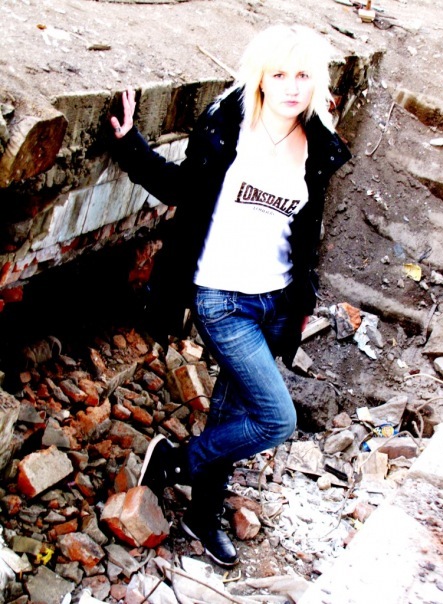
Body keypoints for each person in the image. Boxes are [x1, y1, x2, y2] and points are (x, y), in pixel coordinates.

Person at [109, 23, 351, 567]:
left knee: (231, 412)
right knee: (277, 418)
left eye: (304, 75)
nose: (292, 87)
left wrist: (303, 298)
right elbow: (180, 188)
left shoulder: (317, 143)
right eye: (279, 74)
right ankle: (175, 463)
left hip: (276, 302)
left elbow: (304, 233)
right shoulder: (229, 125)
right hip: (222, 299)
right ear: (260, 76)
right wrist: (130, 146)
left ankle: (202, 514)